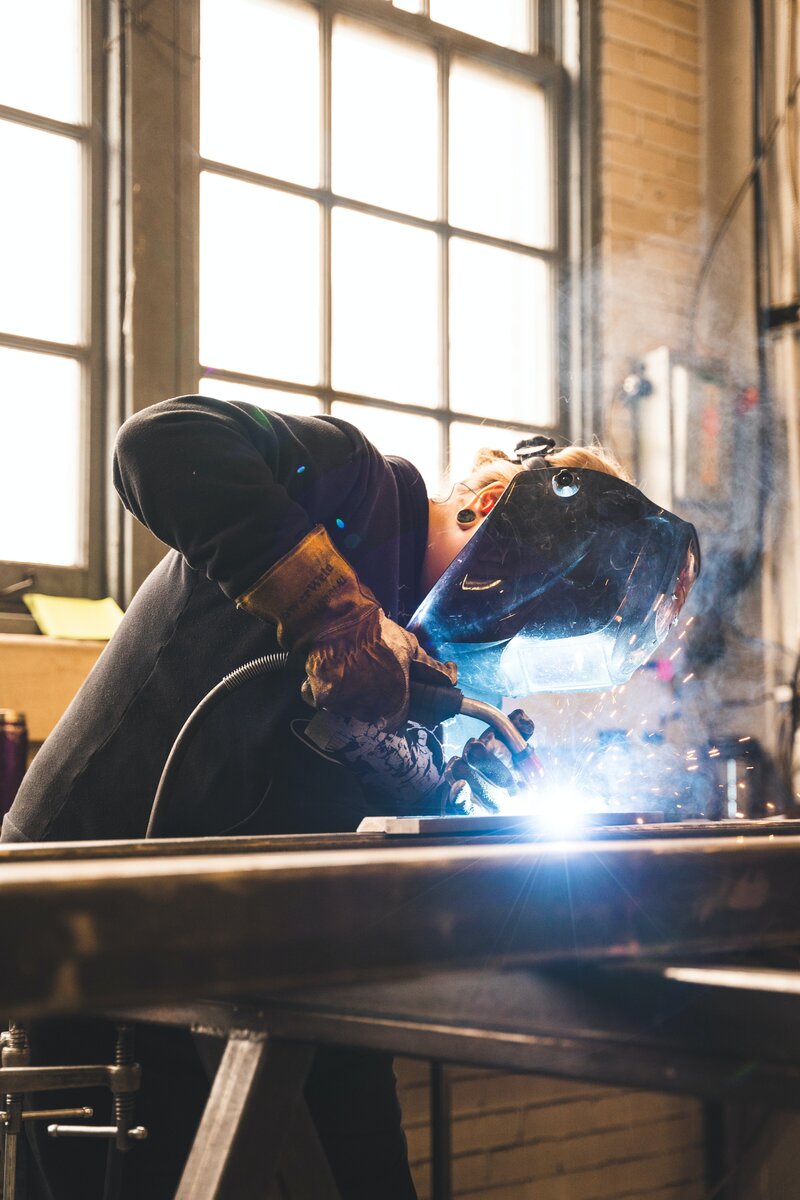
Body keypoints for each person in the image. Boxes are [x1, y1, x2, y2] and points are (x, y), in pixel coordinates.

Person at [0, 394, 634, 1199]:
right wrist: (332, 611)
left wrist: (462, 803)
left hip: (277, 949)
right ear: (483, 510)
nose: (503, 636)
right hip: (86, 925)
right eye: (519, 610)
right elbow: (157, 441)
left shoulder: (430, 661)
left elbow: (351, 795)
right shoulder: (348, 488)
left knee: (366, 1171)